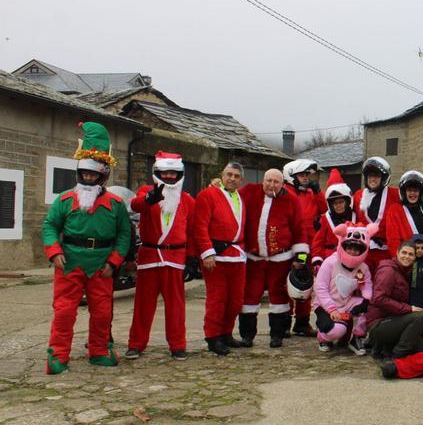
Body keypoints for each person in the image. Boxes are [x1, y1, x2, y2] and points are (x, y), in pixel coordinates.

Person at [42, 122, 131, 374]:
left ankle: (99, 350)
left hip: (101, 266)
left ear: (103, 176)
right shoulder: (65, 199)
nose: (89, 178)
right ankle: (58, 355)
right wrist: (54, 251)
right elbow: (49, 226)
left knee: (102, 312)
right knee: (64, 312)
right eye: (86, 173)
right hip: (69, 262)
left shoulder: (115, 204)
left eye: (94, 174)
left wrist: (114, 262)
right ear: (80, 173)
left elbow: (124, 235)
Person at [126, 151, 195, 361]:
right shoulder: (146, 191)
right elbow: (135, 205)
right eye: (165, 173)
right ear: (158, 172)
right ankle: (136, 344)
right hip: (149, 256)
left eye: (174, 173)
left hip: (175, 257)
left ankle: (178, 345)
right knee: (143, 305)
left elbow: (192, 230)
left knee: (176, 305)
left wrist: (192, 258)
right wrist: (149, 199)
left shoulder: (187, 200)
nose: (170, 177)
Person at [238, 168, 309, 348]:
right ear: (263, 180)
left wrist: (300, 258)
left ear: (282, 184)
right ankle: (247, 335)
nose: (271, 185)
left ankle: (277, 335)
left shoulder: (291, 201)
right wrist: (218, 187)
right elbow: (229, 197)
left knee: (279, 298)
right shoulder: (249, 192)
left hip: (280, 259)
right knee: (249, 297)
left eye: (276, 182)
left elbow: (300, 230)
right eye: (268, 181)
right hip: (254, 258)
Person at [193, 162, 247, 355]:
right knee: (217, 299)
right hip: (216, 256)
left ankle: (226, 333)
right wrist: (206, 252)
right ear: (222, 176)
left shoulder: (242, 197)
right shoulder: (208, 195)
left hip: (237, 256)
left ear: (241, 180)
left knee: (235, 300)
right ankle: (213, 336)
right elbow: (199, 225)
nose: (232, 178)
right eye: (229, 174)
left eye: (236, 176)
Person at [312, 223, 375, 354]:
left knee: (369, 308)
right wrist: (331, 309)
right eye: (349, 248)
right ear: (343, 246)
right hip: (325, 305)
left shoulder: (362, 267)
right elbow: (320, 288)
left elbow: (366, 285)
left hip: (346, 302)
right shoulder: (330, 263)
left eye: (357, 249)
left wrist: (366, 300)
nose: (352, 251)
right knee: (338, 331)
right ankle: (323, 337)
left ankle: (358, 337)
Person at [282, 158, 325, 337]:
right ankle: (283, 322)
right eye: (302, 175)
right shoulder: (284, 193)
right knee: (285, 286)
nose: (306, 178)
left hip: (307, 248)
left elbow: (325, 209)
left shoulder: (310, 194)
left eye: (307, 175)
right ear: (291, 176)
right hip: (288, 248)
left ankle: (302, 322)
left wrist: (318, 192)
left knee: (304, 283)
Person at [365, 241, 423, 358]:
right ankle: (398, 354)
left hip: (394, 320)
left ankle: (385, 347)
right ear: (397, 253)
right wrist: (408, 309)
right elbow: (379, 298)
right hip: (378, 324)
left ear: (415, 258)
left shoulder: (405, 271)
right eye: (404, 253)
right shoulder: (388, 271)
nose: (407, 256)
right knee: (421, 316)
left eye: (411, 254)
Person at [353, 157, 400, 272]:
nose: (373, 179)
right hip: (364, 251)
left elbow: (412, 198)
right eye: (370, 176)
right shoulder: (358, 195)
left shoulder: (394, 194)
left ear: (383, 178)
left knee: (383, 283)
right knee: (363, 284)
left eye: (377, 176)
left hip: (386, 252)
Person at [385, 170, 423, 257]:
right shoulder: (395, 210)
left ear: (421, 192)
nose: (412, 193)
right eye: (409, 190)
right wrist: (400, 258)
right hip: (405, 258)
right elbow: (393, 239)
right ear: (404, 192)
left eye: (416, 190)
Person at [311, 168, 357, 272]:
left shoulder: (355, 217)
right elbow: (317, 243)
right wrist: (318, 261)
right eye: (335, 203)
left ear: (347, 202)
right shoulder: (325, 219)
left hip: (352, 260)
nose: (338, 206)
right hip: (329, 261)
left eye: (341, 202)